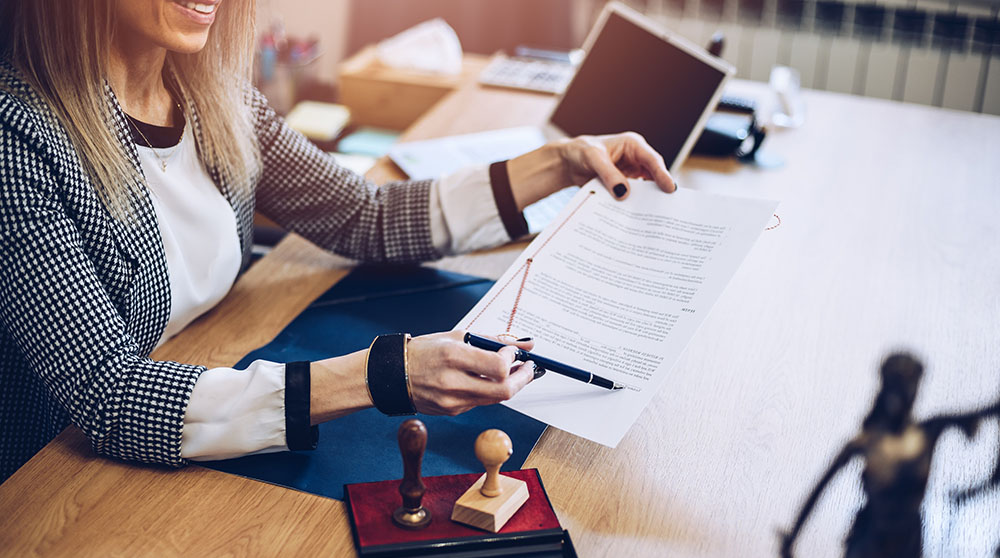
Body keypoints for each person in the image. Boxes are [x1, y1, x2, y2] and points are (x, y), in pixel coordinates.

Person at [0, 0, 676, 482]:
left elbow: (365, 215)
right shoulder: (19, 136)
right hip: (54, 479)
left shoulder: (211, 94)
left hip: (209, 387)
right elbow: (111, 397)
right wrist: (381, 374)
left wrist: (558, 163)